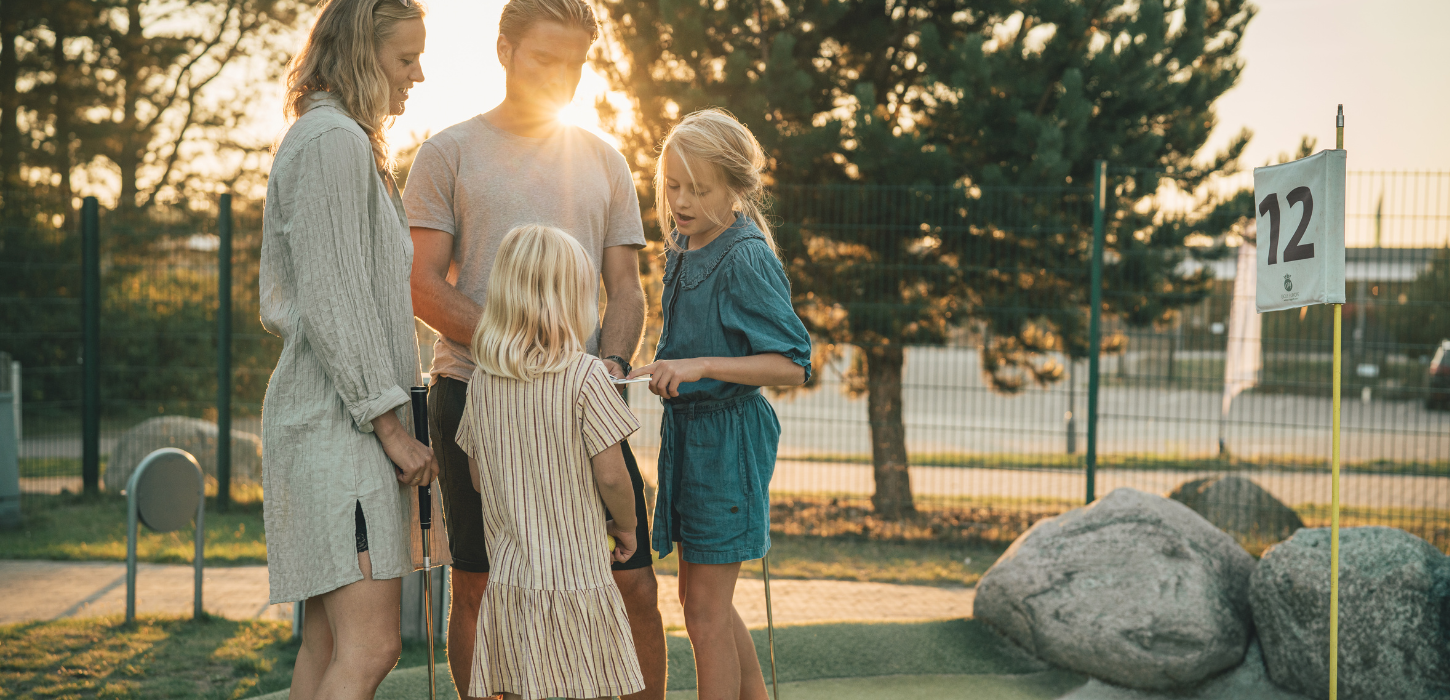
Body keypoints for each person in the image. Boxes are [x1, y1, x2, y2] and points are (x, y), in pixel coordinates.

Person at [405, 1, 665, 697]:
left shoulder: (605, 161)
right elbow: (420, 285)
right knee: (483, 587)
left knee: (632, 583)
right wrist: (519, 354)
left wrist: (602, 371)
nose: (560, 77)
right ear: (504, 51)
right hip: (471, 392)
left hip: (583, 398)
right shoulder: (448, 152)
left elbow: (627, 291)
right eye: (544, 59)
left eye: (575, 64)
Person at [259, 1, 448, 699]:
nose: (419, 74)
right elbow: (335, 299)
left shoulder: (336, 140)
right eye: (405, 59)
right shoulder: (332, 142)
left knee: (328, 642)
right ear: (360, 56)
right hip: (344, 434)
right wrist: (393, 427)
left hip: (336, 426)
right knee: (371, 647)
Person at [625, 109, 812, 700]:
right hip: (689, 437)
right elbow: (690, 343)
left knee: (704, 613)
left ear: (736, 191)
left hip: (730, 441)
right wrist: (660, 367)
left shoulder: (745, 256)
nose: (681, 201)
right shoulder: (684, 242)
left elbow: (793, 364)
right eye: (672, 185)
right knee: (704, 600)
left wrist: (703, 367)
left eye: (699, 189)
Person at [455, 224, 645, 700]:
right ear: (574, 298)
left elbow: (478, 480)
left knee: (519, 689)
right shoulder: (587, 377)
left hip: (511, 580)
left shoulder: (480, 383)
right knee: (588, 686)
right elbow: (613, 476)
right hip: (576, 577)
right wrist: (627, 527)